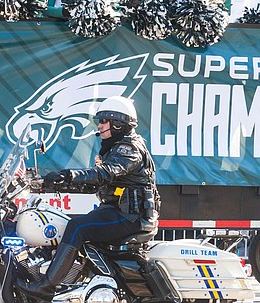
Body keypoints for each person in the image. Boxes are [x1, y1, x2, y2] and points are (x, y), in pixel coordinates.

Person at [18, 95, 159, 299]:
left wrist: (68, 174)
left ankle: (47, 287)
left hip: (133, 217)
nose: (99, 126)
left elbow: (104, 173)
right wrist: (50, 183)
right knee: (68, 222)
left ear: (118, 124)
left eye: (103, 121)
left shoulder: (129, 149)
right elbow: (94, 182)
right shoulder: (115, 148)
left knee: (78, 228)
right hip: (119, 211)